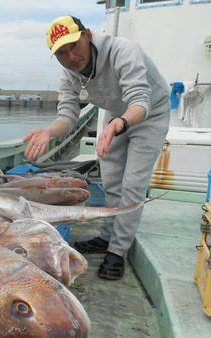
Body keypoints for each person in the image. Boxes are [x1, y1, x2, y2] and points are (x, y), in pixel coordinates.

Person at [23, 16, 170, 280]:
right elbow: (67, 116)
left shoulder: (124, 51)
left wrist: (121, 124)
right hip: (115, 115)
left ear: (88, 35)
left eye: (73, 46)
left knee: (133, 184)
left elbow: (140, 101)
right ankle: (106, 237)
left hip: (149, 114)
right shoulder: (69, 75)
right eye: (61, 53)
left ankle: (117, 251)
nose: (70, 57)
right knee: (111, 181)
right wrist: (48, 131)